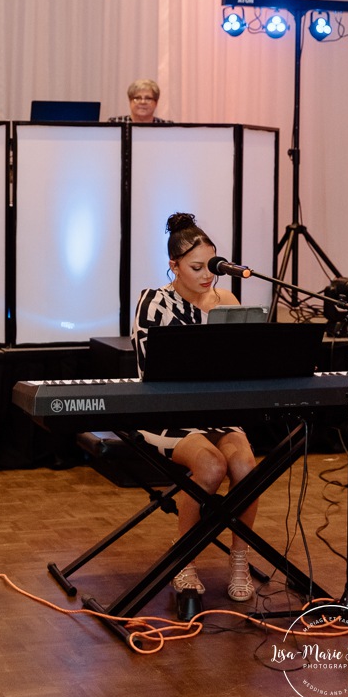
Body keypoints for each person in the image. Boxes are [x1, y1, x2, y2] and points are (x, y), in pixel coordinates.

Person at [132, 212, 257, 602]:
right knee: (210, 465)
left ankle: (240, 559)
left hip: (218, 411)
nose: (207, 276)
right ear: (174, 266)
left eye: (212, 266)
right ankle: (184, 559)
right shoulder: (154, 302)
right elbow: (154, 369)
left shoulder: (227, 301)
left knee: (245, 467)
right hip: (168, 414)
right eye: (196, 267)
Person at [108, 78, 172, 124]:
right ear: (130, 101)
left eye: (148, 98)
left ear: (156, 103)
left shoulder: (167, 127)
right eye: (137, 98)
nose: (143, 102)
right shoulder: (114, 124)